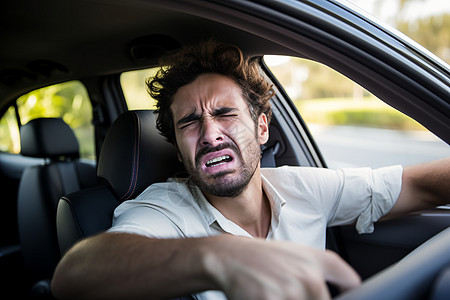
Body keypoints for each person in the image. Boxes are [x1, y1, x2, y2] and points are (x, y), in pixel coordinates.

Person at [51, 40, 450, 300]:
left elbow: (420, 185)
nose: (209, 134)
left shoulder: (302, 187)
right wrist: (220, 258)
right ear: (178, 149)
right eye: (189, 123)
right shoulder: (163, 209)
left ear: (262, 128)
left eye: (225, 113)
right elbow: (74, 274)